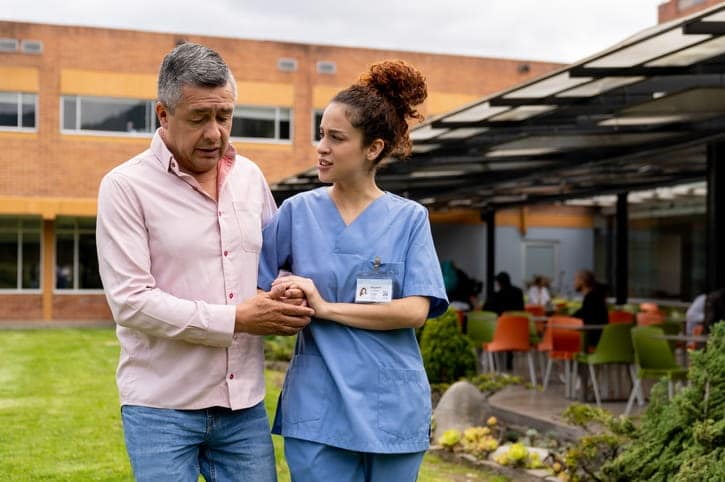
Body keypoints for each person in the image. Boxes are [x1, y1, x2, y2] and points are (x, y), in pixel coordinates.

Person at [96, 42, 314, 482]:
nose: (215, 133)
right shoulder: (125, 187)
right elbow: (131, 302)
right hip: (161, 407)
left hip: (243, 406)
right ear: (162, 114)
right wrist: (237, 319)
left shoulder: (250, 178)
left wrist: (285, 290)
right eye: (199, 118)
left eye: (225, 116)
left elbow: (275, 264)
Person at [258, 60, 448, 482]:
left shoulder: (410, 219)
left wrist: (325, 308)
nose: (321, 147)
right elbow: (256, 294)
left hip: (391, 404)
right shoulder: (296, 213)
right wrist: (282, 296)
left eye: (336, 138)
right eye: (321, 134)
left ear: (373, 148)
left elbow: (415, 311)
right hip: (318, 404)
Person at [572, 269, 608, 349]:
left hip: (592, 341)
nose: (574, 283)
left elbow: (587, 320)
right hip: (601, 338)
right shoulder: (595, 297)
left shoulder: (591, 299)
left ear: (582, 281)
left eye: (575, 280)